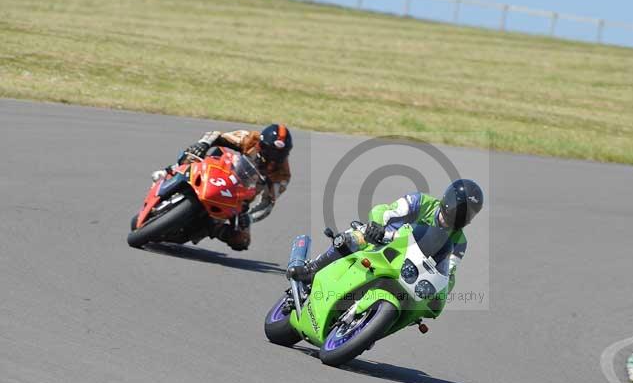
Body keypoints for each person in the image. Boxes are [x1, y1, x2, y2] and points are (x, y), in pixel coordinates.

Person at [287, 179, 484, 290]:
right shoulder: (421, 202)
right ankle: (312, 269)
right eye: (462, 210)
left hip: (409, 271)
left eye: (470, 213)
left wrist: (441, 290)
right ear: (448, 202)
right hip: (384, 242)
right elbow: (386, 210)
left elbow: (449, 273)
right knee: (353, 238)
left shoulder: (460, 242)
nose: (463, 216)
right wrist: (377, 225)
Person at [152, 124, 292, 251]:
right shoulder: (249, 139)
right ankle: (169, 171)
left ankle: (212, 227)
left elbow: (267, 203)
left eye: (279, 155)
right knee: (195, 152)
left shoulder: (282, 175)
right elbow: (217, 135)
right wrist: (204, 144)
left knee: (241, 240)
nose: (272, 158)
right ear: (261, 144)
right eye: (269, 151)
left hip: (239, 198)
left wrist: (249, 217)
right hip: (220, 171)